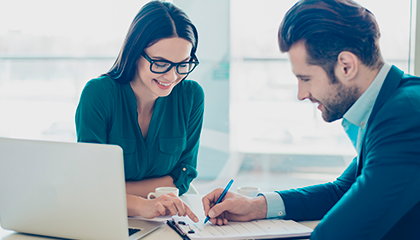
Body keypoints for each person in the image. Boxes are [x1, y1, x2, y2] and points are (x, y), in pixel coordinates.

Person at [202, 0, 420, 239]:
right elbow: (343, 191)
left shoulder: (406, 115)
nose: (301, 94)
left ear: (346, 66)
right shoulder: (390, 105)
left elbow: (341, 233)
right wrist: (255, 206)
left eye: (305, 78)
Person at [75, 0, 203, 222]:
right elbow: (91, 185)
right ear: (135, 53)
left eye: (183, 64)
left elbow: (183, 175)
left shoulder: (191, 96)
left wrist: (119, 192)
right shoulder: (98, 94)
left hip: (164, 220)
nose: (172, 77)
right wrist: (142, 206)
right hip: (104, 219)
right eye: (161, 63)